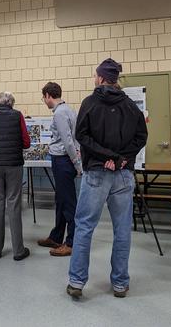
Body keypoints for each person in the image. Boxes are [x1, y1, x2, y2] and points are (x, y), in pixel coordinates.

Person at [67, 59, 147, 300]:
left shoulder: (90, 103)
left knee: (84, 227)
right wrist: (121, 158)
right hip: (122, 175)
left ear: (101, 78)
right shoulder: (131, 106)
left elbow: (81, 135)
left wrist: (108, 156)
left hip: (96, 173)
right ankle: (120, 283)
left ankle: (77, 282)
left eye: (95, 75)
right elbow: (141, 136)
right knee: (122, 229)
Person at [0, 91, 31, 261]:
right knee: (14, 205)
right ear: (11, 103)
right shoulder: (18, 116)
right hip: (14, 165)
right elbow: (26, 142)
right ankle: (18, 251)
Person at [37, 82, 81, 257]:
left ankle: (71, 242)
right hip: (63, 160)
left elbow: (68, 142)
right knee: (61, 200)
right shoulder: (68, 110)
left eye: (43, 97)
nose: (44, 101)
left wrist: (77, 164)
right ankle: (56, 236)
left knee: (68, 202)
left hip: (63, 161)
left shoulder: (60, 114)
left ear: (48, 95)